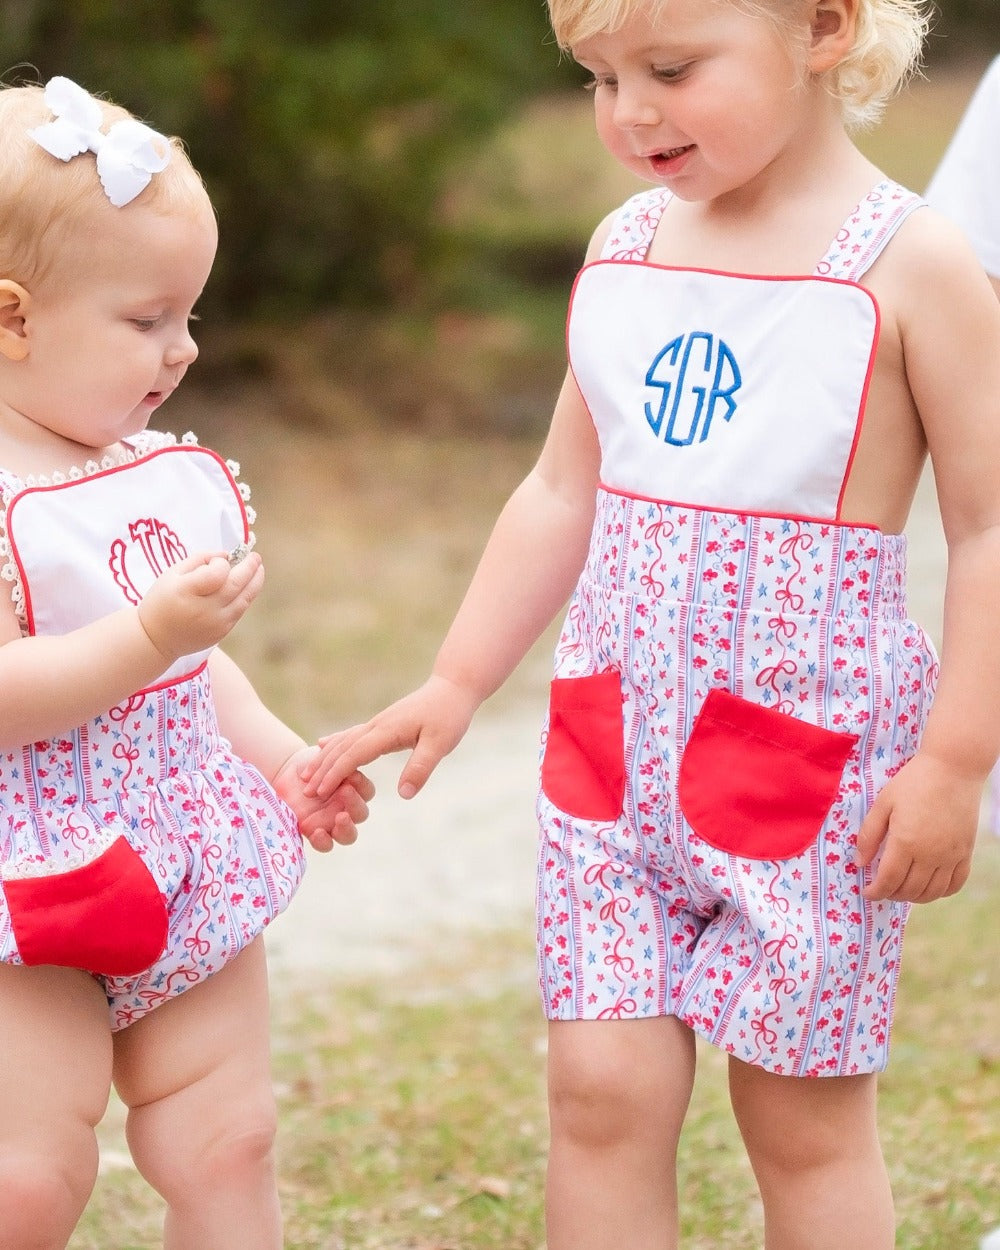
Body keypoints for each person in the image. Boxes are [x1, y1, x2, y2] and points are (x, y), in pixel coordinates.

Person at [303, 1, 1000, 1247]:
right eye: (598, 75)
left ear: (822, 28)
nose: (628, 110)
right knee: (598, 1091)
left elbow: (992, 527)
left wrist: (953, 760)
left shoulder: (912, 264)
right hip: (609, 758)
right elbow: (561, 487)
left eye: (670, 69)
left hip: (808, 764)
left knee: (799, 1119)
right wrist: (458, 678)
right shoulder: (624, 244)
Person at [0, 76, 373, 1250]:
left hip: (185, 840)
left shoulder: (155, 469)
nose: (184, 348)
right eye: (146, 319)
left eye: (191, 315)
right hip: (28, 873)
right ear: (10, 318)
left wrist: (280, 757)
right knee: (28, 1168)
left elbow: (193, 676)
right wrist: (146, 632)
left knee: (228, 1136)